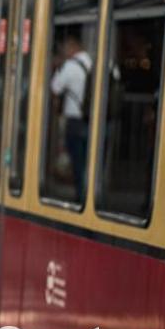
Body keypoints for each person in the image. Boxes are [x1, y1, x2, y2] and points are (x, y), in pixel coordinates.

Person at [50, 32, 92, 202]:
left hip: (75, 121)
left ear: (73, 47)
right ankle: (88, 195)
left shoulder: (70, 66)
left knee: (78, 161)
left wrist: (58, 67)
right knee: (90, 161)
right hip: (94, 121)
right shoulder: (94, 62)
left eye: (66, 48)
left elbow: (55, 88)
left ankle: (81, 196)